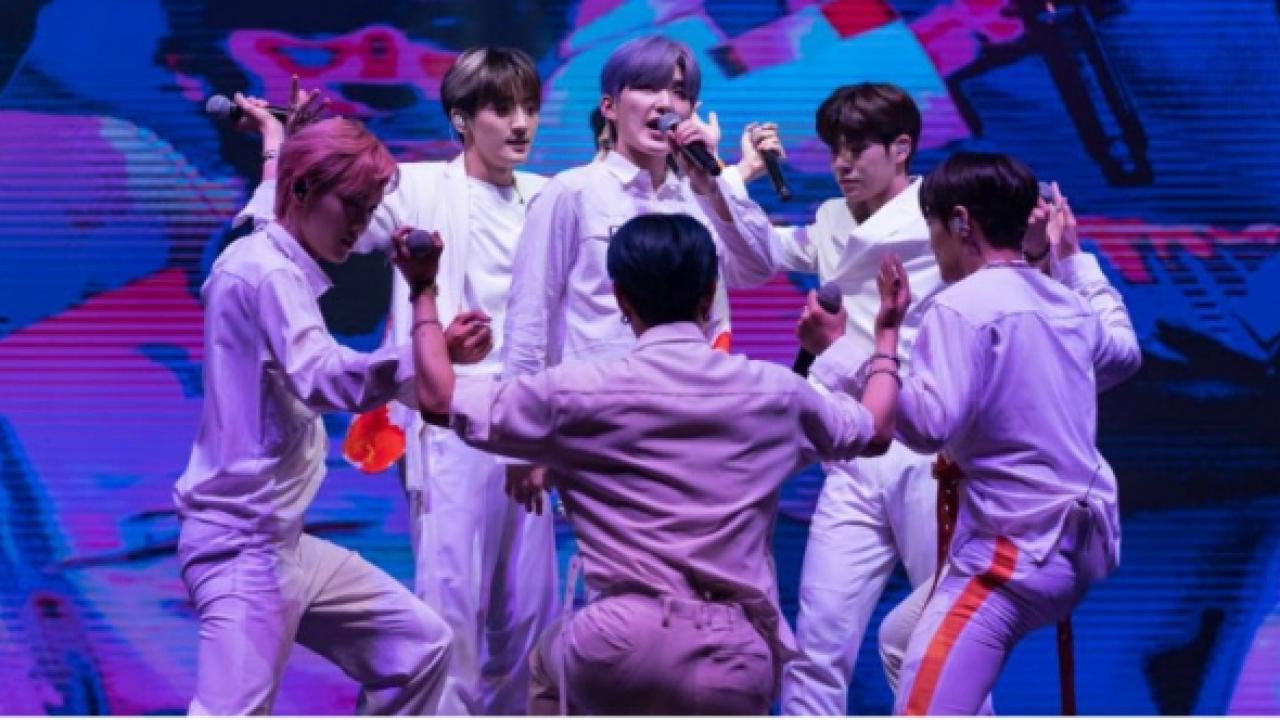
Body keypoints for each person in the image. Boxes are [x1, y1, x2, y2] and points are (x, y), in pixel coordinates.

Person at [399, 212, 909, 714]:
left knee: (545, 663)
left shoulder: (575, 392)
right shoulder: (774, 392)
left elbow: (439, 399)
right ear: (709, 295)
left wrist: (423, 289)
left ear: (621, 298)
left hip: (615, 644)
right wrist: (885, 334)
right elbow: (876, 428)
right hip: (733, 653)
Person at [231, 48, 558, 715]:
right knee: (452, 605)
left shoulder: (552, 197)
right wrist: (288, 151)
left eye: (529, 108)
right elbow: (308, 226)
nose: (521, 124)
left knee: (529, 616)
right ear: (461, 119)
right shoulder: (418, 188)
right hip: (450, 414)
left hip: (527, 416)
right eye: (502, 109)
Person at [820, 152, 1140, 714]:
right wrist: (1072, 258)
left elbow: (926, 426)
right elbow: (1123, 354)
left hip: (1011, 558)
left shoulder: (960, 307)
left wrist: (858, 348)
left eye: (933, 226)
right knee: (900, 639)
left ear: (961, 221)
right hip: (1077, 547)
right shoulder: (1066, 302)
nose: (934, 243)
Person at [173, 117, 454, 715]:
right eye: (351, 205)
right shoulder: (268, 273)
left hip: (283, 542)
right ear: (301, 191)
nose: (359, 224)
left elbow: (265, 206)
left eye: (370, 209)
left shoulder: (265, 242)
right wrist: (430, 348)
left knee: (419, 647)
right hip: (240, 545)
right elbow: (324, 377)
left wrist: (278, 144)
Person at [733, 82, 948, 713]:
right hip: (852, 451)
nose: (842, 164)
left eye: (857, 149)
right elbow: (764, 250)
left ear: (901, 148)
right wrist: (726, 180)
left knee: (941, 637)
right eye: (835, 150)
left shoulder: (941, 218)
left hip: (925, 449)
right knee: (818, 640)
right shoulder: (831, 219)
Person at [501, 34, 779, 503]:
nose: (664, 103)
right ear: (609, 106)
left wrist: (713, 187)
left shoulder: (700, 195)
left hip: (693, 421)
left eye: (679, 93)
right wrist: (520, 440)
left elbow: (757, 267)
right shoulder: (572, 193)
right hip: (601, 426)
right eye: (647, 87)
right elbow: (531, 316)